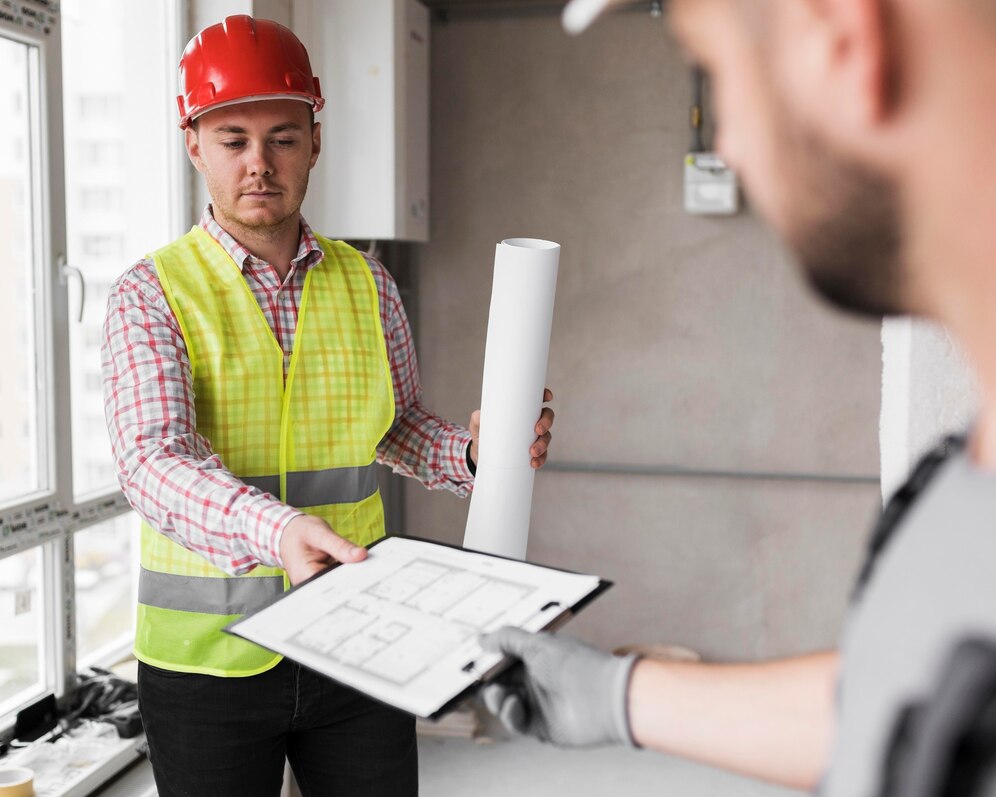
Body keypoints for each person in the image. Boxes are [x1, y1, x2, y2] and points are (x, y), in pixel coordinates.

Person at [482, 0, 996, 794]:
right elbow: (902, 712)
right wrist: (620, 695)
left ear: (843, 40)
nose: (727, 141)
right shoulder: (961, 478)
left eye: (715, 68)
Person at [100, 15, 555, 797]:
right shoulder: (153, 293)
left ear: (316, 140)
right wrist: (276, 529)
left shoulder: (368, 283)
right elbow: (152, 460)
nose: (259, 163)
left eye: (282, 136)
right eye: (233, 139)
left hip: (355, 642)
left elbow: (398, 426)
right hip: (208, 662)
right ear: (194, 145)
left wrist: (479, 456)